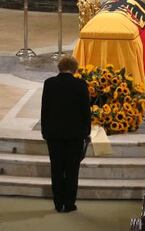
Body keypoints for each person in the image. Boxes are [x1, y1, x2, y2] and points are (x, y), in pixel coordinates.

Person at [41, 56, 91, 213]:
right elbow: (85, 111)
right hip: (75, 135)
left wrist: (45, 130)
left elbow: (45, 109)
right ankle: (69, 203)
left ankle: (58, 203)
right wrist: (86, 132)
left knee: (56, 169)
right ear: (75, 69)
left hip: (54, 134)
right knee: (72, 170)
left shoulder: (49, 83)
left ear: (59, 67)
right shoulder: (81, 85)